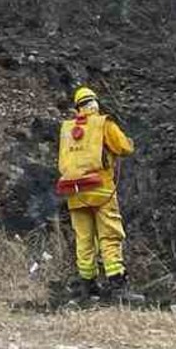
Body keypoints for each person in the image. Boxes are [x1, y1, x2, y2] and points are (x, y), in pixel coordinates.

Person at [57, 86, 135, 301]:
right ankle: (117, 285)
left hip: (74, 193)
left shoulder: (67, 130)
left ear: (77, 108)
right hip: (101, 190)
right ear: (94, 103)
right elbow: (124, 148)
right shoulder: (103, 124)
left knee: (84, 239)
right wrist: (128, 143)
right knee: (110, 236)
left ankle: (87, 286)